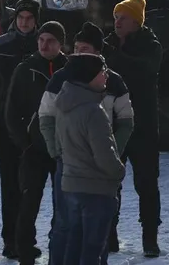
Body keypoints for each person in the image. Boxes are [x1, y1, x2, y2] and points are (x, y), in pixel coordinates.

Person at [41, 23, 134, 263]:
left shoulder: (113, 81)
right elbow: (46, 118)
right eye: (77, 48)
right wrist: (58, 151)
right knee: (67, 227)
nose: (79, 53)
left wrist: (115, 150)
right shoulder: (62, 81)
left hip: (99, 166)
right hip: (74, 165)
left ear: (98, 52)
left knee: (93, 237)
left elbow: (126, 120)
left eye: (85, 49)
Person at [103, 0, 163, 257]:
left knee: (147, 184)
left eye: (123, 17)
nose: (117, 22)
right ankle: (110, 235)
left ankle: (150, 238)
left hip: (144, 126)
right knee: (110, 182)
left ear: (136, 22)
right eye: (116, 17)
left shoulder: (151, 46)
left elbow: (143, 71)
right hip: (114, 125)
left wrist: (114, 56)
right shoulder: (108, 45)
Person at [5, 21, 69, 265]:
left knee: (62, 205)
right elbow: (11, 111)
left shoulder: (70, 69)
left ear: (61, 43)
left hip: (64, 150)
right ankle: (25, 252)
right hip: (34, 149)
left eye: (50, 40)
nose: (44, 45)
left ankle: (59, 249)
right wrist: (25, 142)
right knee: (28, 203)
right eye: (41, 40)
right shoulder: (25, 68)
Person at [56, 53, 127, 265]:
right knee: (92, 252)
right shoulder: (93, 111)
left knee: (74, 248)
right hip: (95, 191)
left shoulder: (63, 105)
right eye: (101, 72)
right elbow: (105, 156)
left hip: (71, 186)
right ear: (88, 76)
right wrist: (119, 171)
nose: (106, 76)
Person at [0, 0, 40, 259]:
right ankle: (10, 240)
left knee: (31, 188)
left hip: (36, 131)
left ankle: (26, 239)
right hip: (6, 128)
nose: (25, 22)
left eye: (29, 17)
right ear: (15, 18)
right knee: (10, 187)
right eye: (21, 17)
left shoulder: (47, 47)